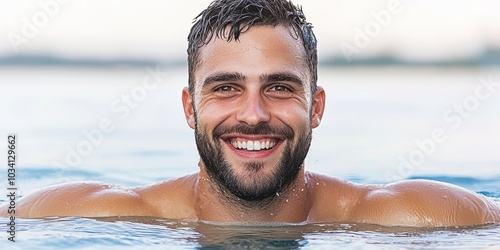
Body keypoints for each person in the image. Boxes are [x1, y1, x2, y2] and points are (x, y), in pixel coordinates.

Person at [2, 0, 499, 227]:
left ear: (317, 106)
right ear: (189, 108)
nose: (254, 114)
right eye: (226, 88)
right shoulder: (104, 215)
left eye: (279, 87)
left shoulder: (406, 215)